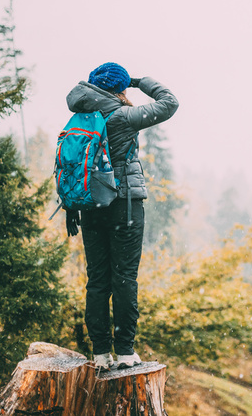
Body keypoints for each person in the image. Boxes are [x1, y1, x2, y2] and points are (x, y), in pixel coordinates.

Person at [64, 62, 179, 371]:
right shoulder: (122, 117)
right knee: (125, 278)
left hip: (89, 207)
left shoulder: (80, 117)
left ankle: (101, 354)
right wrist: (141, 81)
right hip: (123, 205)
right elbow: (170, 102)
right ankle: (126, 352)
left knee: (98, 280)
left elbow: (73, 167)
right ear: (119, 88)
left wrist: (71, 207)